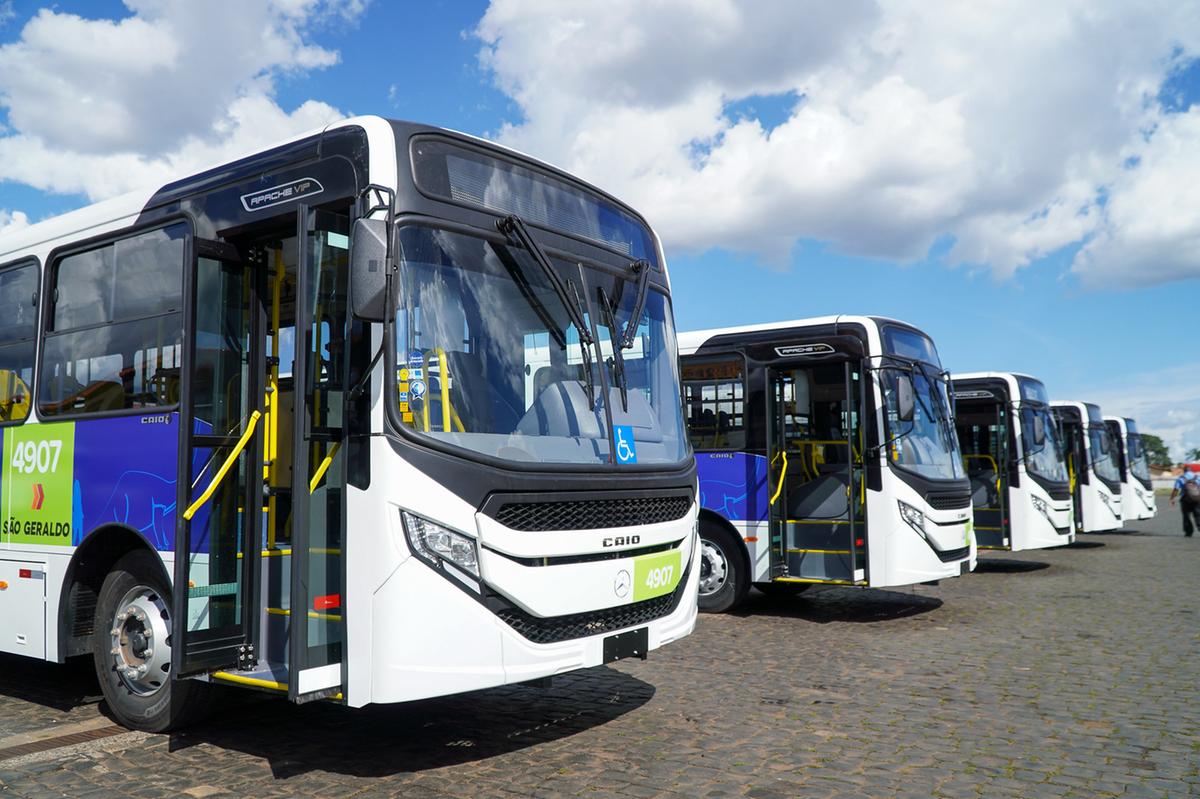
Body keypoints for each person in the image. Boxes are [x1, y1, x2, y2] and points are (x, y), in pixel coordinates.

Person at [1169, 463, 1200, 537]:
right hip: (1197, 499)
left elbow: (1176, 489)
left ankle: (1188, 532)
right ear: (1191, 470)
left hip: (1185, 500)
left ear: (1184, 470)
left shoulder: (1181, 478)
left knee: (1186, 516)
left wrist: (1172, 498)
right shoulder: (1197, 477)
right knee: (1198, 515)